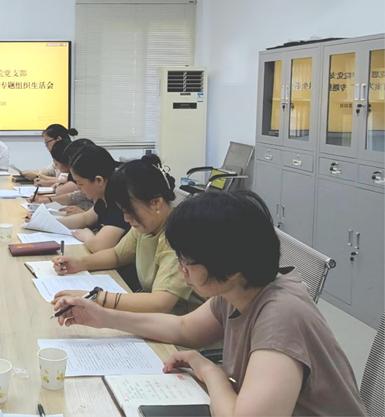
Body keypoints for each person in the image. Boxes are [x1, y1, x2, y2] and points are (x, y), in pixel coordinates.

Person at [53, 191, 367, 417]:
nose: (181, 271)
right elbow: (184, 328)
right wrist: (103, 316)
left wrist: (210, 370)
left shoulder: (282, 315)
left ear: (230, 265)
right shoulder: (239, 290)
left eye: (187, 262)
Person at [51, 155, 204, 315]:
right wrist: (79, 263)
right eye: (123, 211)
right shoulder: (147, 226)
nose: (126, 219)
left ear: (156, 202)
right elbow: (117, 255)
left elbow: (160, 303)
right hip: (157, 316)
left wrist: (95, 297)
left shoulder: (178, 236)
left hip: (181, 321)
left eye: (130, 211)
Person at [29, 144, 129, 252]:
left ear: (99, 180)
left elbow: (99, 246)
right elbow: (85, 219)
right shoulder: (103, 196)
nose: (79, 189)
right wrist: (45, 222)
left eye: (80, 184)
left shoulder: (119, 201)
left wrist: (86, 235)